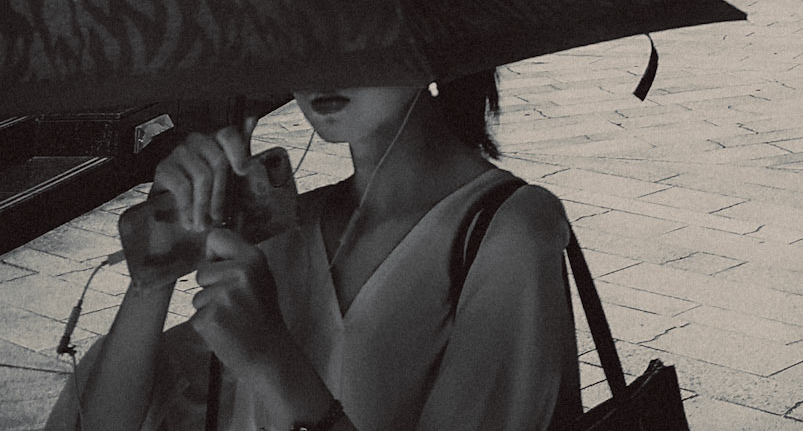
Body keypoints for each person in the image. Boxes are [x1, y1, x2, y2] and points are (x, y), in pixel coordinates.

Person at [49, 74, 577, 431]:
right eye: (304, 28)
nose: (324, 63)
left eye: (357, 23)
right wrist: (167, 242)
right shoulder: (289, 226)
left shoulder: (510, 233)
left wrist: (276, 364)